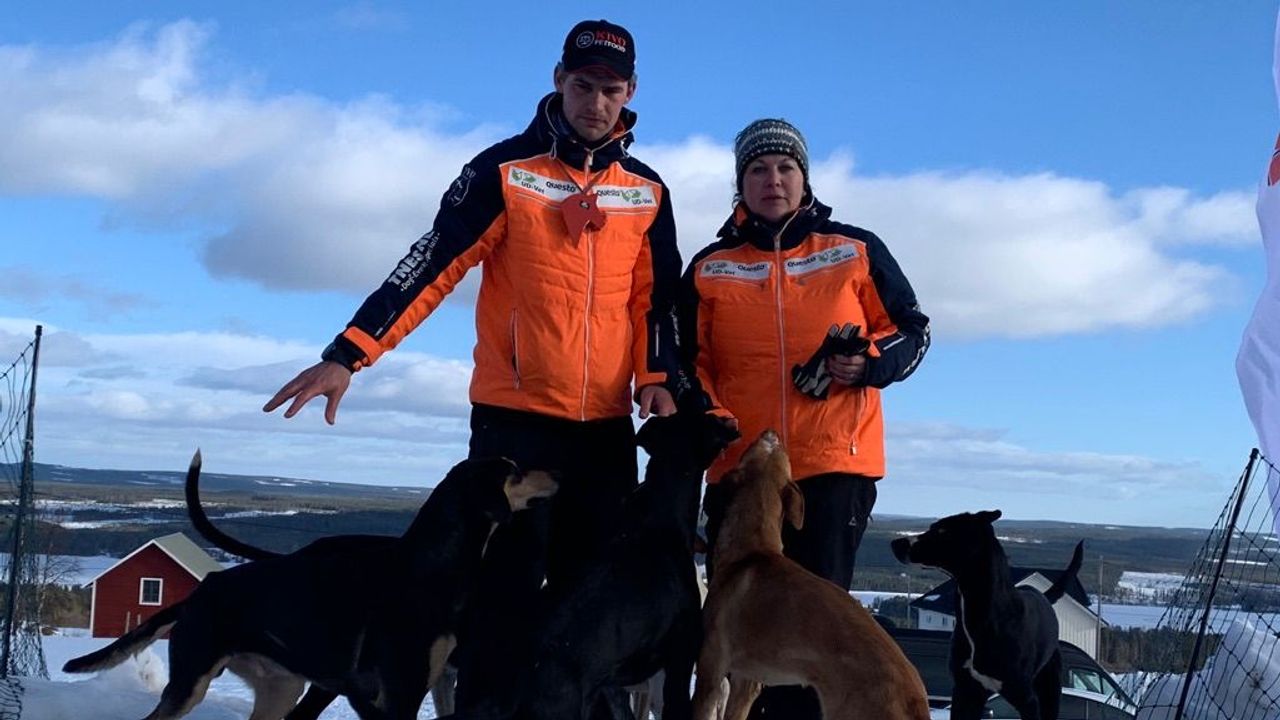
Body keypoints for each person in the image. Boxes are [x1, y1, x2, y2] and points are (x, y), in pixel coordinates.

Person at [263, 19, 683, 715]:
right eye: (583, 86)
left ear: (631, 92)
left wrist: (659, 380)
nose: (596, 103)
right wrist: (349, 354)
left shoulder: (645, 191)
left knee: (593, 606)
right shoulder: (504, 171)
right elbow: (431, 264)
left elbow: (657, 300)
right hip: (514, 428)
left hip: (606, 433)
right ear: (559, 81)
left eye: (611, 90)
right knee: (502, 603)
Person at [681, 118, 930, 720]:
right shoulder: (711, 265)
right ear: (740, 183)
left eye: (785, 168)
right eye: (758, 169)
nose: (773, 180)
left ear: (804, 177)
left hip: (832, 470)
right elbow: (686, 361)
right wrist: (714, 417)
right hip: (742, 480)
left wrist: (865, 363)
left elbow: (912, 331)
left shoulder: (853, 248)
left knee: (814, 648)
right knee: (737, 644)